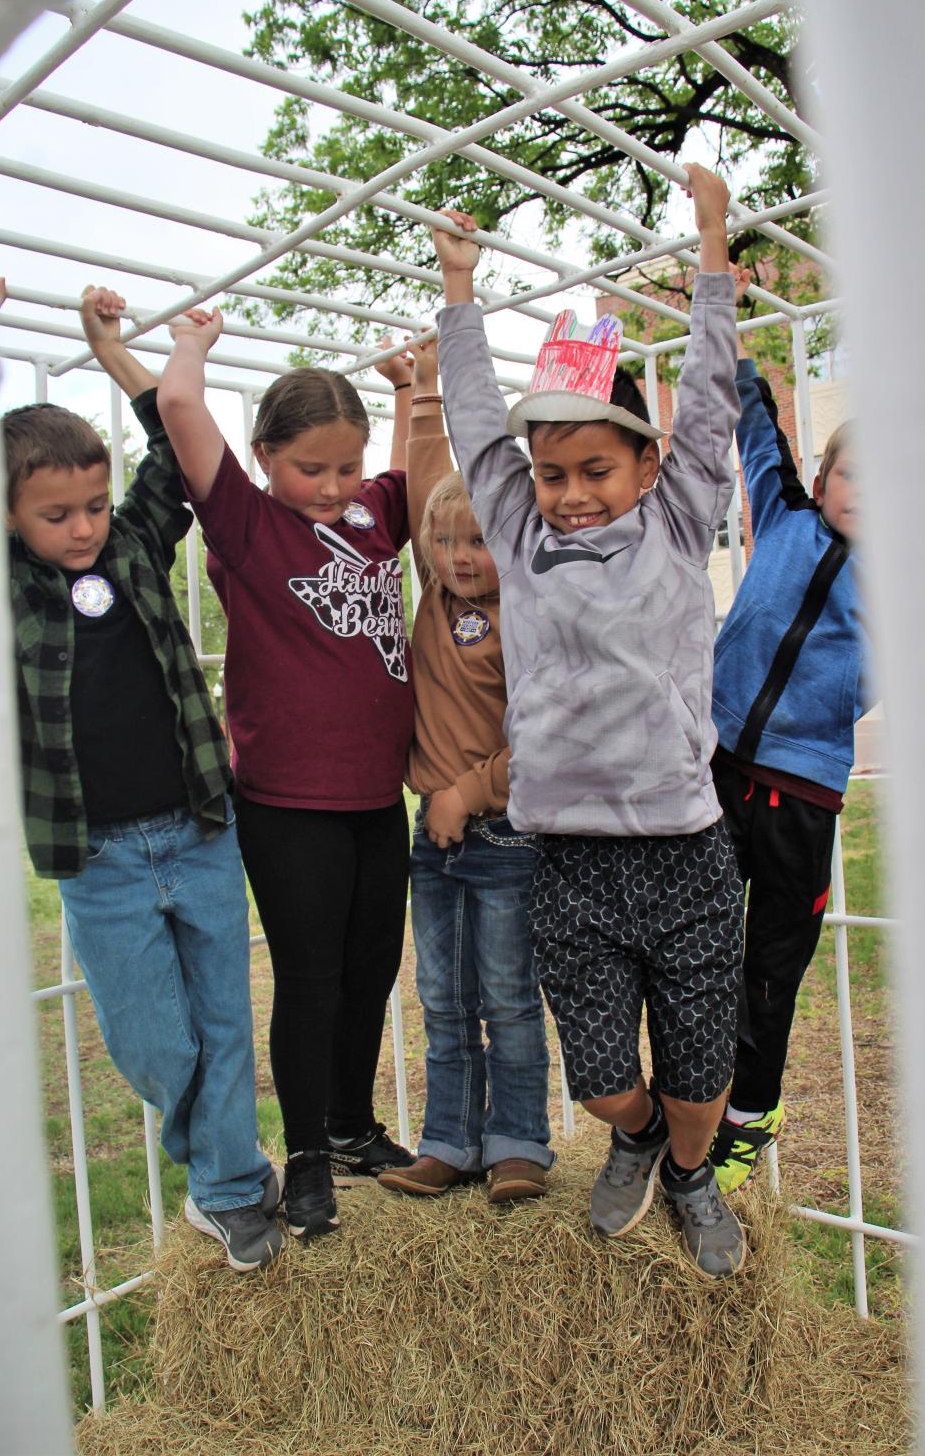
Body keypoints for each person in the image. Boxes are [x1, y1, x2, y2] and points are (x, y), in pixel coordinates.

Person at [431, 167, 748, 1278]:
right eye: (553, 472)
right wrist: (457, 291)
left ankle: (695, 1169)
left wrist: (713, 250)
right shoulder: (521, 537)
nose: (569, 492)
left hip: (686, 851)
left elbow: (710, 396)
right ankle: (637, 1138)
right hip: (568, 858)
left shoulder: (673, 522)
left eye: (595, 470)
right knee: (610, 1075)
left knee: (703, 1074)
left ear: (649, 465)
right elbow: (477, 430)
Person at [2, 282, 282, 1273]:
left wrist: (120, 351)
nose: (80, 527)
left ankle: (230, 1190)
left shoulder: (128, 544)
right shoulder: (11, 588)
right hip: (102, 859)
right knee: (158, 1043)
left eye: (88, 503)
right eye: (54, 515)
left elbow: (171, 448)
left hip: (201, 828)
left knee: (225, 1020)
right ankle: (220, 1150)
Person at [156, 309, 415, 1243]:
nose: (335, 484)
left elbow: (421, 478)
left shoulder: (377, 512)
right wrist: (193, 343)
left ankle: (351, 1125)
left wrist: (405, 393)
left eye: (349, 464)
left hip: (380, 800)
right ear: (265, 454)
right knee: (310, 980)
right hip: (289, 805)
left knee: (373, 970)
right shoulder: (248, 522)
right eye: (314, 467)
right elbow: (179, 403)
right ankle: (305, 1153)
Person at [376, 334, 554, 1204]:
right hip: (434, 843)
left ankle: (518, 1142)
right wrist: (420, 391)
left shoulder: (525, 614)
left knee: (511, 1001)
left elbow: (551, 739)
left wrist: (467, 790)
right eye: (445, 542)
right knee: (444, 1002)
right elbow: (422, 481)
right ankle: (448, 1139)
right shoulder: (439, 596)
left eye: (480, 540)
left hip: (505, 837)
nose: (458, 555)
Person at [708, 310, 867, 1193]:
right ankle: (689, 1097)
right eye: (856, 475)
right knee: (694, 943)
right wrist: (734, 353)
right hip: (721, 768)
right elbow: (754, 424)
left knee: (771, 968)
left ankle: (749, 1115)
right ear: (820, 473)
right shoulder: (783, 514)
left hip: (803, 799)